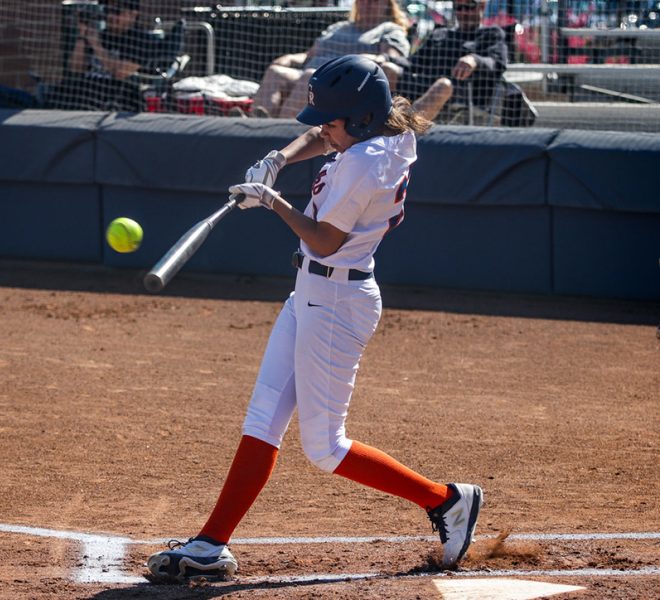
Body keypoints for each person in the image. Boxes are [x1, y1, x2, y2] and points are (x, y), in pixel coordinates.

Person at [146, 55, 483, 583]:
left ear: (362, 121)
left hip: (337, 302)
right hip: (312, 292)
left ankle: (446, 501)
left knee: (326, 448)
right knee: (262, 420)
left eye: (331, 122)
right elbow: (327, 139)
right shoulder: (385, 131)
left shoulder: (365, 165)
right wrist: (278, 157)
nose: (324, 131)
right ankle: (212, 543)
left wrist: (271, 200)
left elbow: (325, 240)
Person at [251, 0, 411, 119]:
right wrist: (290, 58)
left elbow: (392, 59)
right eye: (363, 0)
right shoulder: (339, 26)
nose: (367, 4)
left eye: (373, 1)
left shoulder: (390, 29)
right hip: (313, 73)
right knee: (276, 72)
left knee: (310, 76)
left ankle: (280, 129)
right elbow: (310, 55)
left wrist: (358, 59)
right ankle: (256, 123)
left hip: (345, 82)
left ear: (387, 5)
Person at [382, 0, 508, 121]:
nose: (464, 12)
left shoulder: (492, 34)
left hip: (462, 93)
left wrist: (475, 60)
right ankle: (377, 124)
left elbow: (497, 63)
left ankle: (405, 130)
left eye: (469, 6)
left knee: (443, 85)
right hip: (423, 86)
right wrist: (384, 58)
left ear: (482, 6)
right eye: (459, 8)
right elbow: (413, 63)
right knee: (387, 69)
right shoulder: (440, 34)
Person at [57, 0, 160, 111]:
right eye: (107, 11)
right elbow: (76, 68)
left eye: (117, 12)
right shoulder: (101, 35)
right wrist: (83, 36)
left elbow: (120, 72)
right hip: (86, 94)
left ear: (132, 14)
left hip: (118, 98)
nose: (110, 16)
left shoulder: (141, 40)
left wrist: (96, 46)